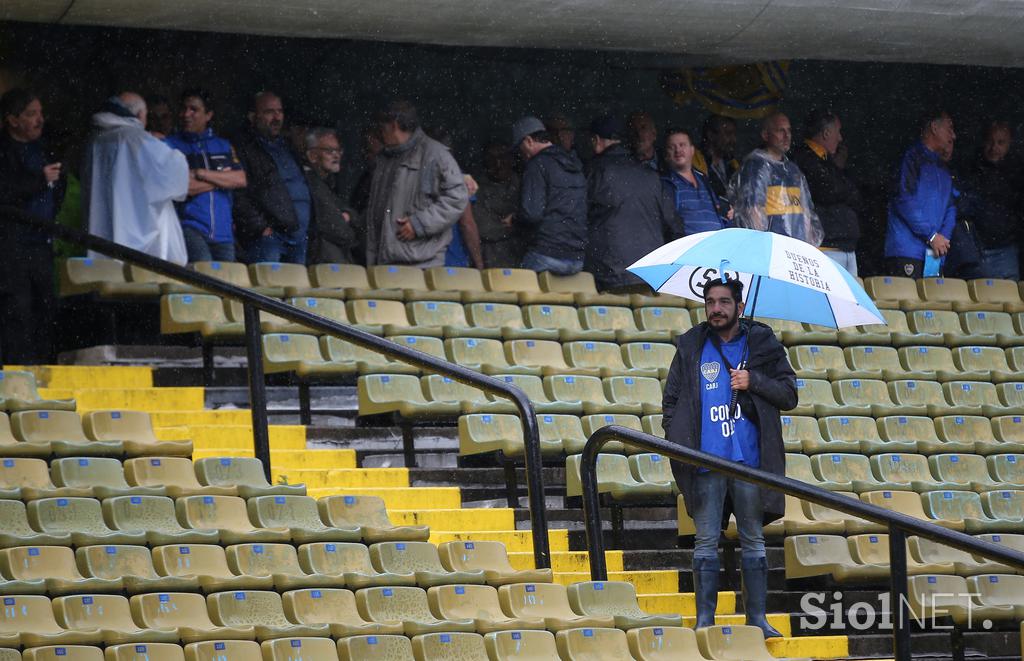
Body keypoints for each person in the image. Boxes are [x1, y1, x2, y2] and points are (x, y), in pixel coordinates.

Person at [661, 278, 796, 638]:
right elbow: (671, 400)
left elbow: (788, 394)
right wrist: (677, 436)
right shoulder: (691, 345)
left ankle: (757, 620)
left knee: (753, 540)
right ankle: (706, 620)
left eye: (724, 302)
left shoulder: (762, 344)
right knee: (705, 541)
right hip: (706, 463)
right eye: (710, 302)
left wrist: (754, 382)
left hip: (749, 464)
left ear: (740, 305)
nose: (716, 309)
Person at [83, 91, 189, 264]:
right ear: (140, 115)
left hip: (104, 226)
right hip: (138, 233)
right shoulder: (136, 139)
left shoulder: (97, 138)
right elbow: (175, 175)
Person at [0, 89, 64, 364]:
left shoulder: (45, 149)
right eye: (31, 114)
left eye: (40, 113)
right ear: (12, 120)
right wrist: (39, 180)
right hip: (11, 244)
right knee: (16, 308)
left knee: (45, 306)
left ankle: (43, 366)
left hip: (41, 243)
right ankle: (18, 369)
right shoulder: (3, 152)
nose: (39, 120)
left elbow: (57, 192)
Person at [364, 100, 468, 267]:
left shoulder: (435, 155)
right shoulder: (384, 158)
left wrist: (419, 223)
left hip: (422, 265)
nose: (380, 134)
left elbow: (457, 198)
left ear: (394, 125)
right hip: (384, 263)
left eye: (382, 128)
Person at [585, 115, 683, 291]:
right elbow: (674, 226)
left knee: (613, 318)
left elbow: (578, 216)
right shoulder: (651, 175)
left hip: (610, 272)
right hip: (650, 273)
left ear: (597, 140)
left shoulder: (594, 170)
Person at [165, 89, 247, 263]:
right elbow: (184, 187)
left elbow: (241, 179)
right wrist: (222, 180)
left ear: (208, 115)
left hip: (224, 233)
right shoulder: (171, 144)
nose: (186, 114)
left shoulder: (223, 145)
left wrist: (201, 173)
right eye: (184, 109)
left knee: (226, 286)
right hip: (189, 226)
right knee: (204, 281)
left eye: (193, 109)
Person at [232, 91, 313, 264]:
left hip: (299, 237)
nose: (276, 117)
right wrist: (260, 227)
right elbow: (238, 193)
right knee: (267, 290)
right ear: (253, 116)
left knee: (296, 290)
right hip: (269, 238)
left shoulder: (289, 147)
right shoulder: (244, 148)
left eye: (280, 111)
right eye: (269, 112)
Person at [729, 112, 823, 246]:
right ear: (765, 135)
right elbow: (752, 211)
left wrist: (807, 247)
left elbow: (805, 213)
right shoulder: (756, 166)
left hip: (795, 250)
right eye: (780, 131)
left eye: (789, 130)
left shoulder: (793, 171)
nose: (787, 136)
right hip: (772, 248)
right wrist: (761, 246)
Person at [884, 110, 958, 278]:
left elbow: (951, 208)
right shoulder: (910, 158)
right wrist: (931, 235)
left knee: (932, 304)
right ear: (934, 127)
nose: (953, 136)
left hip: (935, 253)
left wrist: (942, 240)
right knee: (907, 303)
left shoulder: (944, 167)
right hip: (907, 251)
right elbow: (903, 200)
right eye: (949, 128)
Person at [512, 116, 587, 275]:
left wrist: (514, 219)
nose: (521, 155)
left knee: (515, 289)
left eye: (520, 148)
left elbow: (532, 214)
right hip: (577, 259)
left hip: (546, 255)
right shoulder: (575, 164)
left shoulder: (537, 165)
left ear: (528, 141)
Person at [791, 109, 862, 275]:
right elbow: (828, 191)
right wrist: (845, 189)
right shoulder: (805, 158)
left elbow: (853, 194)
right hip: (825, 246)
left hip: (844, 245)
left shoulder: (826, 160)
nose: (840, 138)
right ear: (826, 133)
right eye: (838, 132)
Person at [955, 121, 1021, 281]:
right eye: (990, 141)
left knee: (1010, 302)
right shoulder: (970, 169)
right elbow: (961, 206)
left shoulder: (1016, 172)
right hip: (977, 251)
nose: (994, 148)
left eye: (1000, 143)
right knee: (980, 302)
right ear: (983, 142)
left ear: (1009, 143)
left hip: (1007, 250)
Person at [303, 127, 358, 264]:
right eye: (329, 151)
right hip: (323, 259)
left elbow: (351, 214)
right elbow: (339, 230)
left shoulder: (329, 182)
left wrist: (348, 216)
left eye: (338, 150)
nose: (336, 155)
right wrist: (349, 224)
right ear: (312, 156)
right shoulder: (312, 183)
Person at [662, 128, 730, 235]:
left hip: (716, 243)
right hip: (690, 247)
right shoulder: (666, 184)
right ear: (666, 155)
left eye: (682, 145)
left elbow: (719, 212)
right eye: (672, 147)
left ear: (692, 150)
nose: (678, 150)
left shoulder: (704, 179)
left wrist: (728, 213)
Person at [473, 142, 522, 268]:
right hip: (491, 258)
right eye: (492, 159)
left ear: (512, 159)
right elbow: (484, 229)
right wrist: (517, 225)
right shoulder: (476, 188)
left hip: (521, 257)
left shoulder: (524, 184)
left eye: (502, 157)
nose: (498, 164)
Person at [694, 115, 740, 204]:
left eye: (734, 134)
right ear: (711, 135)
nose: (733, 140)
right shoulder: (696, 161)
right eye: (728, 134)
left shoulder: (733, 164)